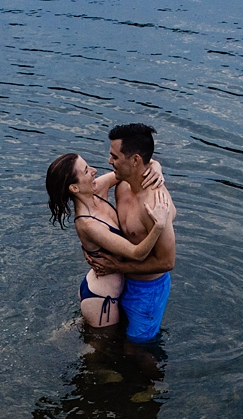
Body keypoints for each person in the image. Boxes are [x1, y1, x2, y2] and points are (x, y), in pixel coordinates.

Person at [46, 153, 174, 329]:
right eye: (86, 171)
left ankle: (71, 326)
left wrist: (156, 167)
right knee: (100, 353)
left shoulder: (97, 189)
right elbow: (137, 253)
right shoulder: (88, 224)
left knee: (98, 335)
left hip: (104, 286)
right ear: (74, 188)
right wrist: (158, 226)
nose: (94, 171)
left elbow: (131, 168)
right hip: (102, 297)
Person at [86, 124, 177, 344]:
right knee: (114, 339)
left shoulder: (155, 204)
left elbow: (167, 262)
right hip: (122, 280)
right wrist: (156, 164)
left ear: (135, 160)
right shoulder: (122, 183)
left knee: (137, 350)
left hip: (147, 291)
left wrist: (118, 267)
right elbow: (88, 189)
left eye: (114, 156)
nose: (109, 162)